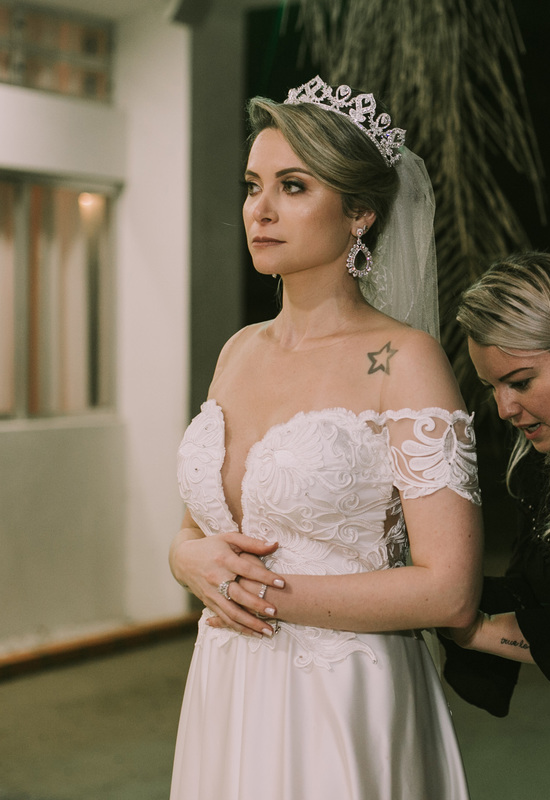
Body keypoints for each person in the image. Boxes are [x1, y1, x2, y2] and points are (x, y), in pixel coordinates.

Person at [167, 76, 483, 800]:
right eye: (253, 186)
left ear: (360, 212)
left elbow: (450, 590)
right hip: (227, 683)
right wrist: (186, 562)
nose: (260, 209)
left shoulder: (403, 361)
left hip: (341, 696)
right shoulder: (237, 351)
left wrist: (255, 594)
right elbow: (197, 530)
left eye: (293, 186)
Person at [442, 252, 550, 714]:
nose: (504, 409)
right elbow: (538, 605)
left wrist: (473, 628)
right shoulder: (536, 470)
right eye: (491, 387)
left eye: (521, 382)